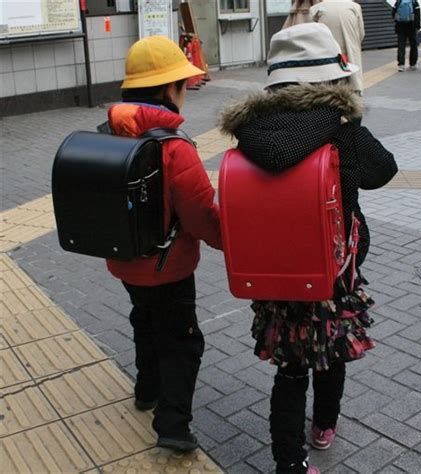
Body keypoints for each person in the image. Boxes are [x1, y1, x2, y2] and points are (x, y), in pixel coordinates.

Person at [219, 23, 397, 474]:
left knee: (291, 370)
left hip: (275, 273)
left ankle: (289, 463)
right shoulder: (340, 128)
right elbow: (384, 171)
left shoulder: (252, 130)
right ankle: (322, 428)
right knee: (330, 354)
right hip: (332, 274)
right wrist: (350, 119)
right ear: (331, 78)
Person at [106, 35, 221, 451]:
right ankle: (172, 425)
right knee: (181, 339)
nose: (186, 92)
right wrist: (231, 242)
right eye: (182, 84)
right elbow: (201, 216)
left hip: (123, 261)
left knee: (144, 320)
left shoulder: (108, 133)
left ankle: (146, 389)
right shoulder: (175, 147)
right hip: (169, 266)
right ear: (168, 89)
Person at [310, 0, 365, 94]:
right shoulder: (355, 7)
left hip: (327, 49)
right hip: (349, 47)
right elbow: (361, 33)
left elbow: (312, 34)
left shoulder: (316, 9)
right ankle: (355, 89)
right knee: (352, 67)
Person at [392, 0, 421, 71]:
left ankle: (401, 64)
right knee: (413, 45)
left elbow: (393, 13)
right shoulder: (414, 2)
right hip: (411, 25)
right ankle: (413, 64)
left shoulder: (398, 1)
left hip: (400, 26)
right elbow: (417, 14)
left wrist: (397, 21)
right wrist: (417, 26)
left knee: (401, 45)